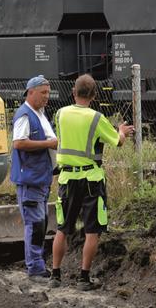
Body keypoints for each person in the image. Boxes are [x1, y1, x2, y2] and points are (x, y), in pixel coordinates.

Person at [49, 74, 134, 290]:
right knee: (91, 231)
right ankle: (83, 279)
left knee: (62, 229)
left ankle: (55, 275)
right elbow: (118, 142)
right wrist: (122, 131)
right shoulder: (96, 118)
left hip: (67, 179)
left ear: (73, 93)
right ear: (95, 95)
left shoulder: (60, 114)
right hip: (91, 180)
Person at [11, 75, 58, 282]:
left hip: (40, 177)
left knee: (41, 222)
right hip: (30, 179)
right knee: (35, 223)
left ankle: (38, 266)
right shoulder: (25, 115)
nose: (47, 97)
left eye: (48, 93)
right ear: (31, 92)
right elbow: (19, 143)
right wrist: (49, 145)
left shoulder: (39, 113)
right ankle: (35, 268)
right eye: (43, 93)